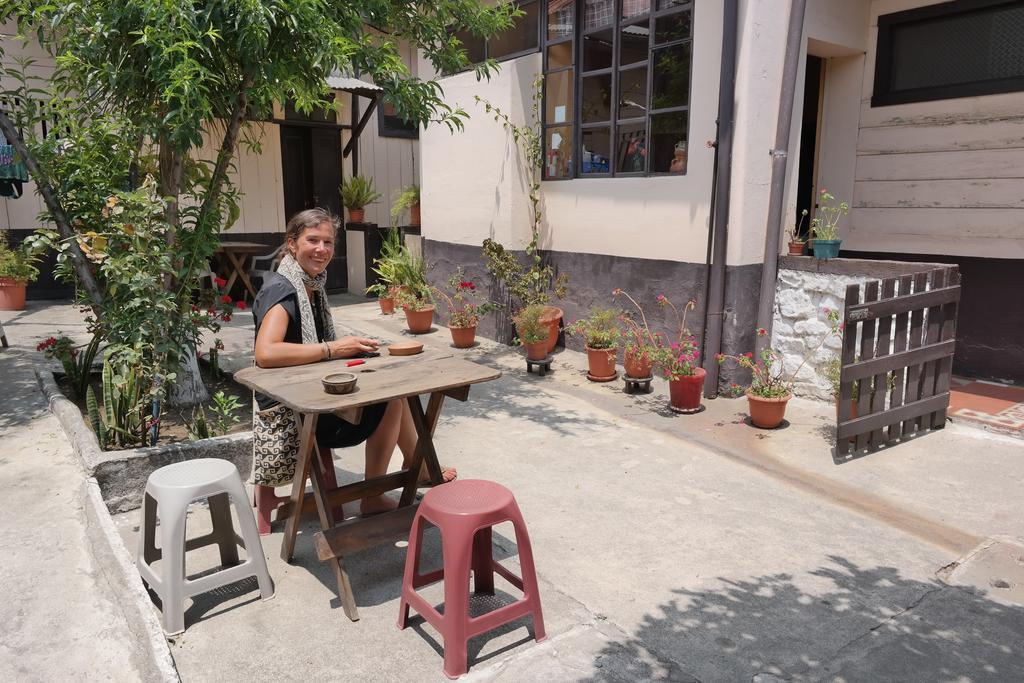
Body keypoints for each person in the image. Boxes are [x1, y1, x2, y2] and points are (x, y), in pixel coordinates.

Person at [250, 208, 454, 533]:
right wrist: (333, 349)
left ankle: (417, 466)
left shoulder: (307, 284)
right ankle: (376, 494)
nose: (322, 249)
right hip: (294, 411)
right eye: (312, 240)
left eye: (328, 242)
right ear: (292, 244)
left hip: (304, 392)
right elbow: (265, 352)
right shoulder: (285, 291)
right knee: (393, 401)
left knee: (393, 393)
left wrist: (347, 348)